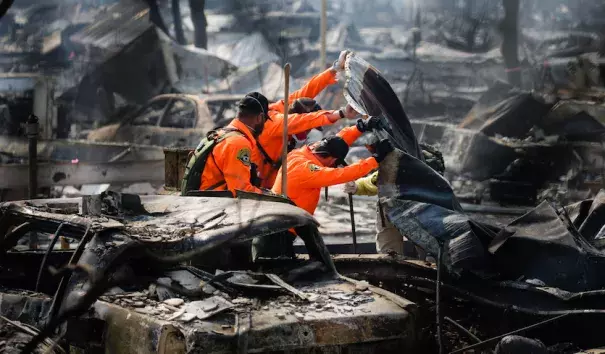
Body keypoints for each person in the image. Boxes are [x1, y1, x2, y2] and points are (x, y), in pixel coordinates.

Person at [252, 50, 352, 188]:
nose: (308, 131)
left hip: (272, 171)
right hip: (255, 174)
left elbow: (308, 90)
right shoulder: (276, 121)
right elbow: (305, 120)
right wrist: (341, 113)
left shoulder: (288, 106)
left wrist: (335, 69)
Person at [272, 115, 392, 216]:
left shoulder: (304, 152)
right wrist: (376, 159)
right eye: (335, 163)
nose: (334, 166)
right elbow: (340, 174)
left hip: (290, 218)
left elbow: (336, 141)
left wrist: (360, 127)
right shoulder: (307, 170)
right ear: (332, 158)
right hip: (285, 227)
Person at [343, 144, 445, 257]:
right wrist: (357, 186)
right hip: (390, 209)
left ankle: (433, 268)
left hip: (423, 213)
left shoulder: (430, 178)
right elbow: (375, 181)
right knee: (389, 253)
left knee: (431, 250)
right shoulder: (392, 169)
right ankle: (391, 269)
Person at [185, 92, 269, 196]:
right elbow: (240, 191)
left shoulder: (222, 134)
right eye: (265, 120)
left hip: (206, 199)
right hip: (213, 204)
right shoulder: (238, 143)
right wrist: (266, 194)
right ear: (259, 118)